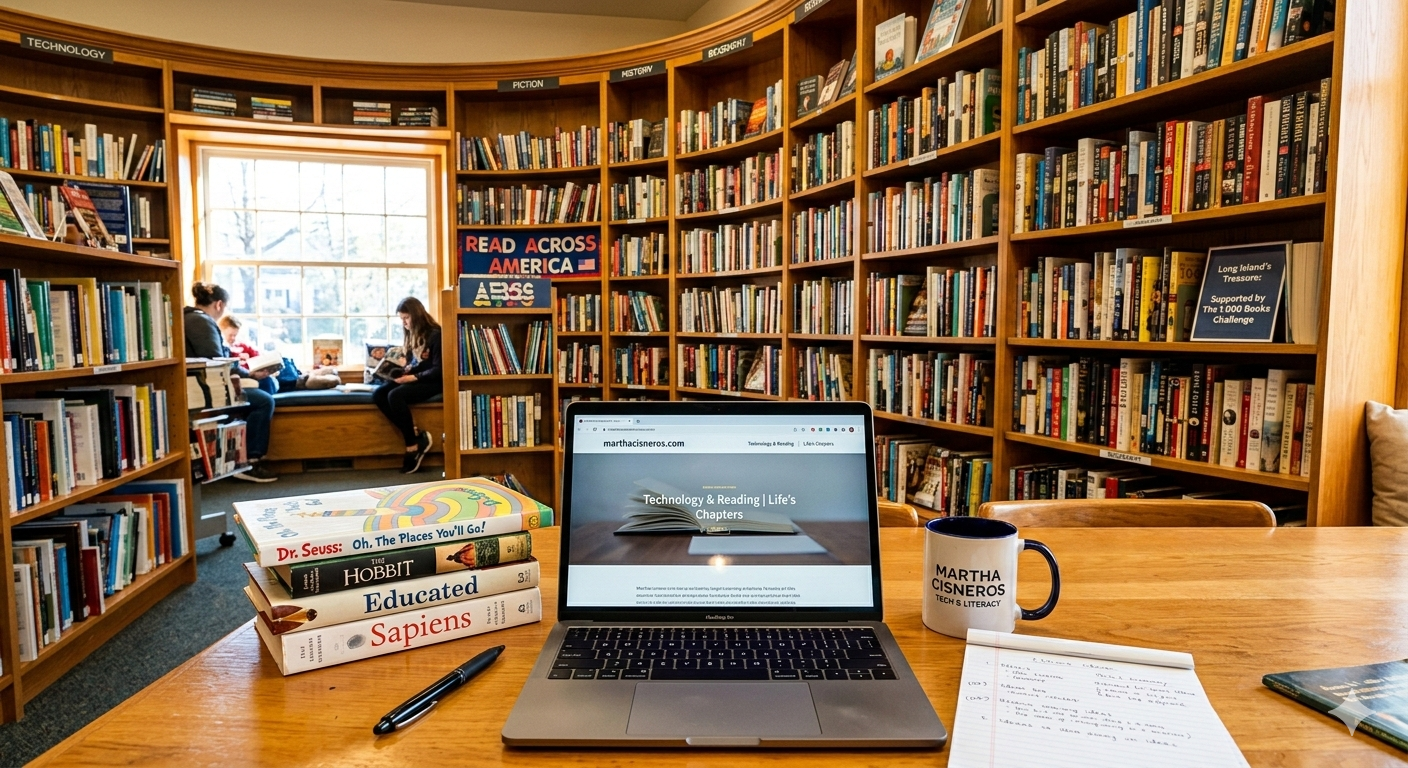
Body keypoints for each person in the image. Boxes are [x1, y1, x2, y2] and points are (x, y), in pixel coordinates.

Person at [184, 282, 278, 483]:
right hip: (208, 388)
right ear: (219, 304)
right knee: (264, 400)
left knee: (264, 389)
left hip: (200, 384)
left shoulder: (189, 317)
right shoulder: (201, 321)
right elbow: (218, 362)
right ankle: (250, 460)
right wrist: (249, 374)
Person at [373, 297, 442, 473]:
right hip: (416, 376)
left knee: (395, 395)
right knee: (378, 394)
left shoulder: (436, 334)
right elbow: (415, 362)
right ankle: (416, 435)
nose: (404, 323)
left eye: (406, 318)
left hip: (434, 381)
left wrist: (412, 377)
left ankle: (412, 446)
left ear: (416, 315)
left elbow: (438, 370)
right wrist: (402, 369)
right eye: (401, 319)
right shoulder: (411, 334)